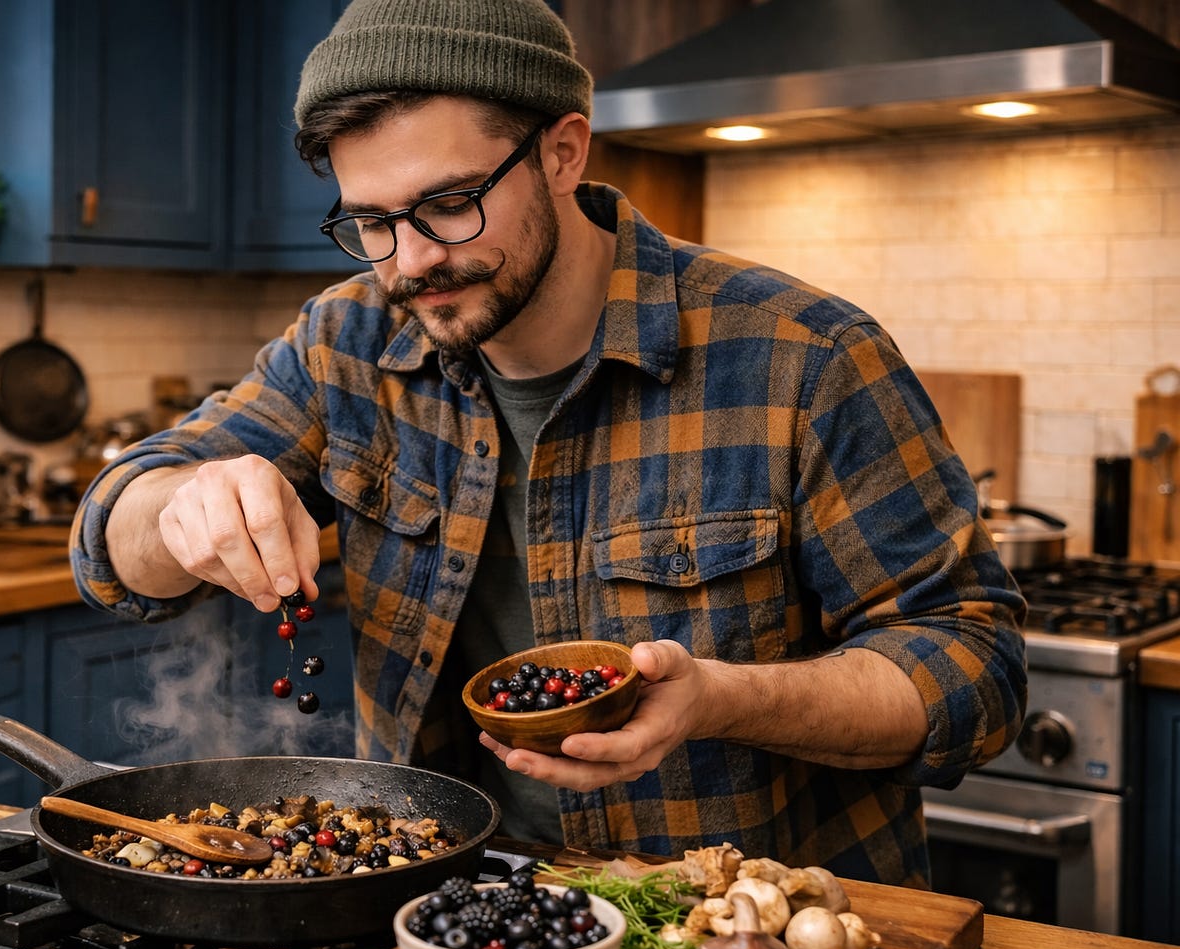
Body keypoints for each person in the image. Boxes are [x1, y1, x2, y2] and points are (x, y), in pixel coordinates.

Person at [71, 0, 1027, 887]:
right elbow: (112, 536)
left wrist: (722, 699)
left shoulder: (803, 358)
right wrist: (178, 506)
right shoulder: (345, 343)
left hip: (733, 926)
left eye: (449, 204)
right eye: (370, 221)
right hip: (455, 915)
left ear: (563, 152)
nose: (409, 261)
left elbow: (975, 667)